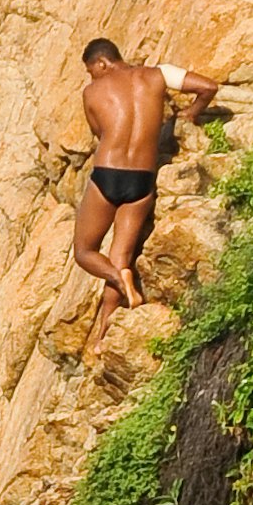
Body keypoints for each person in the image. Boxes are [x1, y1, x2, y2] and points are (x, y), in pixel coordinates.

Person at [72, 39, 221, 337]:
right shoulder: (158, 74)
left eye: (91, 71)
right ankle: (106, 329)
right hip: (142, 179)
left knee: (85, 251)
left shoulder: (92, 92)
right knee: (121, 254)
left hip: (108, 175)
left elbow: (100, 132)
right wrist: (191, 113)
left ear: (102, 63)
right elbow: (209, 87)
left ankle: (117, 279)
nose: (92, 78)